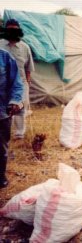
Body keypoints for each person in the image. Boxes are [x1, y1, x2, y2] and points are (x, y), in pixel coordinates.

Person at [0, 19, 35, 139]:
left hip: (21, 83)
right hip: (3, 84)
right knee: (4, 109)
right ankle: (5, 132)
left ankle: (19, 133)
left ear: (19, 30)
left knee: (20, 108)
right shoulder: (0, 45)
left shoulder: (25, 47)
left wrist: (27, 84)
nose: (12, 32)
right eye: (9, 29)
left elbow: (28, 67)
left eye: (15, 29)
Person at [0, 48, 24, 188]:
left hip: (1, 112)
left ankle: (0, 177)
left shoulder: (5, 57)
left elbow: (16, 83)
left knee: (1, 148)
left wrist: (14, 101)